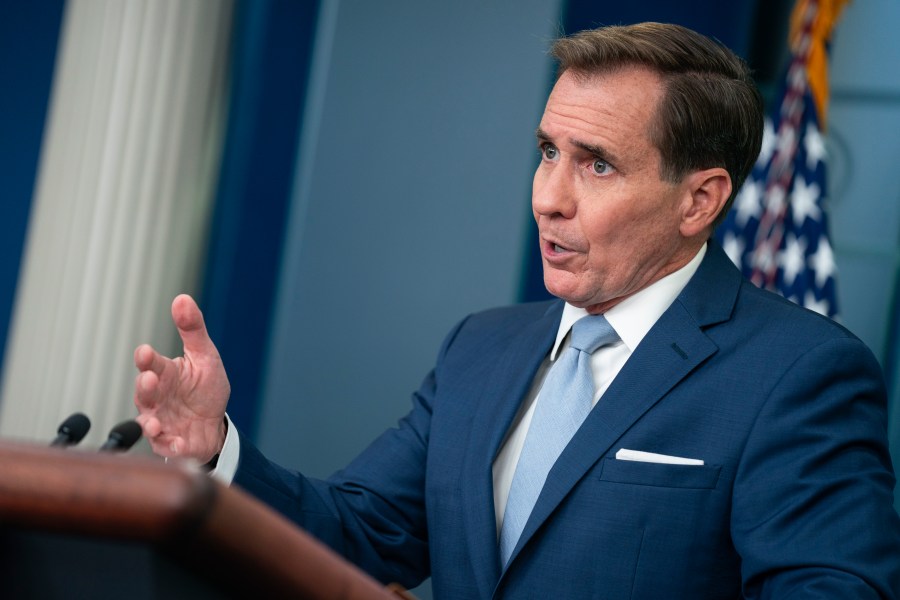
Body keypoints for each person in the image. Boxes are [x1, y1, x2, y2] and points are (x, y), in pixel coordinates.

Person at [133, 22, 900, 598]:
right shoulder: (481, 348)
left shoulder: (798, 375)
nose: (547, 199)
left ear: (700, 200)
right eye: (547, 152)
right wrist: (215, 451)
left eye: (597, 165)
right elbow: (363, 533)